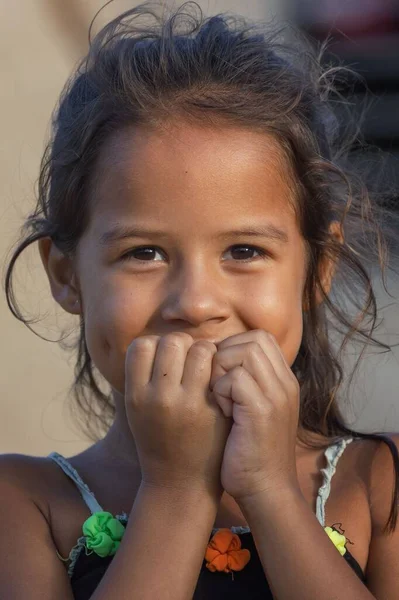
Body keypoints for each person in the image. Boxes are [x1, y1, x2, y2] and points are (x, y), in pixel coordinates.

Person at [1, 1, 398, 598]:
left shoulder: (378, 486)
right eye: (144, 253)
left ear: (318, 267)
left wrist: (270, 493)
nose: (196, 302)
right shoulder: (24, 504)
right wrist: (176, 491)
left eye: (243, 250)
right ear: (67, 276)